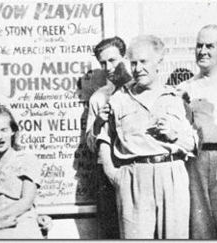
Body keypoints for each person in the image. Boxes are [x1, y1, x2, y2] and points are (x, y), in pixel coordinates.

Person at [97, 35, 195, 239]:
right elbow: (103, 137)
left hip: (171, 175)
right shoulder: (119, 99)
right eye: (133, 63)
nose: (138, 68)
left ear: (159, 62)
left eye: (144, 62)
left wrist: (174, 135)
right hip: (134, 177)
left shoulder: (174, 98)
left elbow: (192, 142)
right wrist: (113, 173)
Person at [177, 25, 217, 239]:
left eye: (209, 46)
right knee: (200, 225)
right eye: (199, 45)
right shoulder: (186, 87)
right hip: (197, 160)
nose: (202, 51)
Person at [84, 36, 131, 239]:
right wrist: (98, 124)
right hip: (108, 171)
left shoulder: (137, 91)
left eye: (113, 60)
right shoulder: (98, 97)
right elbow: (90, 143)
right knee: (111, 230)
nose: (108, 67)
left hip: (134, 167)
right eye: (103, 63)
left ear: (125, 57)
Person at [0, 107, 43, 239]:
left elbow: (26, 203)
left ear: (13, 131)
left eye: (4, 130)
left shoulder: (26, 159)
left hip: (22, 225)